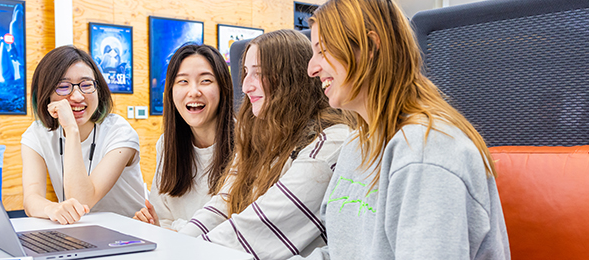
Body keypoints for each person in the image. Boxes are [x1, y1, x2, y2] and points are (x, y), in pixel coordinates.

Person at [295, 0, 511, 259]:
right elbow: (344, 251)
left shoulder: (428, 151)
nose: (311, 68)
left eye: (323, 51)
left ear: (370, 47)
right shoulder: (358, 143)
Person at [176, 29, 354, 260]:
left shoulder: (330, 143)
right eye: (246, 73)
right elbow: (223, 202)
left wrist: (184, 252)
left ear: (292, 77)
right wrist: (177, 244)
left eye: (258, 74)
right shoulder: (259, 133)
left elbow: (258, 227)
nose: (246, 86)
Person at [21, 45, 144, 224]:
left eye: (86, 85)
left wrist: (71, 130)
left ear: (99, 90)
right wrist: (52, 208)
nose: (78, 97)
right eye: (63, 86)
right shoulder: (36, 133)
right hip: (80, 234)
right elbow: (31, 199)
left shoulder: (119, 132)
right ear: (45, 93)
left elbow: (83, 200)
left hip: (130, 233)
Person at [132, 44, 235, 230]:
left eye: (205, 81)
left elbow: (230, 225)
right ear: (170, 91)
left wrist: (175, 229)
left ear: (223, 88)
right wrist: (153, 224)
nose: (194, 92)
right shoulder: (166, 143)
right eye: (183, 81)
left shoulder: (245, 142)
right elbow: (163, 218)